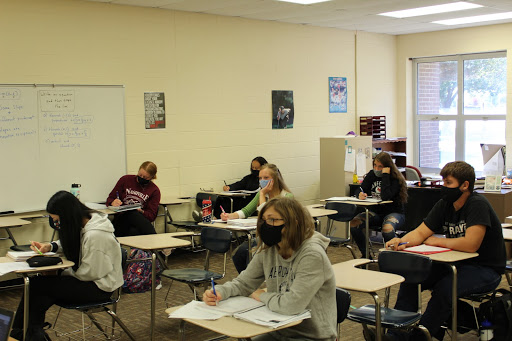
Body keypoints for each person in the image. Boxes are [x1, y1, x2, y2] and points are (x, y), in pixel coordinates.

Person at [385, 161, 506, 341]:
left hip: (486, 269)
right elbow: (421, 231)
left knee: (445, 288)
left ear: (465, 185)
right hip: (456, 264)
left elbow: (471, 244)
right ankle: (397, 335)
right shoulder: (445, 204)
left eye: (448, 183)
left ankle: (420, 337)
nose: (443, 187)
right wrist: (402, 241)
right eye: (443, 182)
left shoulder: (477, 204)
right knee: (412, 278)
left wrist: (437, 242)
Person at [203, 197, 337, 341]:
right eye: (264, 220)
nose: (267, 225)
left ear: (293, 223)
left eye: (273, 220)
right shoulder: (270, 248)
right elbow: (244, 283)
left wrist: (262, 296)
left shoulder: (312, 254)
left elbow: (292, 305)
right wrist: (221, 292)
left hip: (312, 336)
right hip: (279, 328)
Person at [10, 191, 123, 341]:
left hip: (100, 287)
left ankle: (22, 334)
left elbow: (90, 273)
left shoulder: (96, 235)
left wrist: (58, 273)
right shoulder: (85, 223)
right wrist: (50, 247)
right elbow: (73, 240)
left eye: (57, 220)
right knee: (38, 289)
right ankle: (27, 333)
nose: (57, 224)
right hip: (89, 280)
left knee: (38, 287)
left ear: (67, 216)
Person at [221, 163, 294, 273]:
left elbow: (268, 217)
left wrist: (262, 195)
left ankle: (256, 281)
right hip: (263, 237)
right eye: (260, 178)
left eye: (266, 178)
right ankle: (248, 282)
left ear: (275, 179)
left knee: (250, 256)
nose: (262, 181)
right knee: (238, 254)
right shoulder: (262, 194)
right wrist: (229, 216)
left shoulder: (286, 196)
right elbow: (246, 211)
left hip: (280, 238)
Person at [350, 152, 407, 258]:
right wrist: (360, 194)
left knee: (387, 229)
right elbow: (360, 188)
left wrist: (385, 175)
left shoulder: (395, 178)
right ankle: (366, 255)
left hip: (394, 212)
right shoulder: (372, 174)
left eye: (380, 166)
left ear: (387, 167)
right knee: (354, 224)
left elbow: (385, 196)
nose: (376, 168)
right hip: (376, 212)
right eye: (375, 165)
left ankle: (393, 258)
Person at [106, 161, 161, 237]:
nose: (141, 178)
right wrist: (113, 202)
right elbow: (110, 198)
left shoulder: (154, 190)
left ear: (152, 177)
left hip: (139, 223)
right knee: (131, 213)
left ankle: (149, 244)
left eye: (145, 177)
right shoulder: (125, 180)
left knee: (133, 229)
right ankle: (156, 241)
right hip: (121, 220)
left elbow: (151, 216)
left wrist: (141, 211)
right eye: (140, 175)